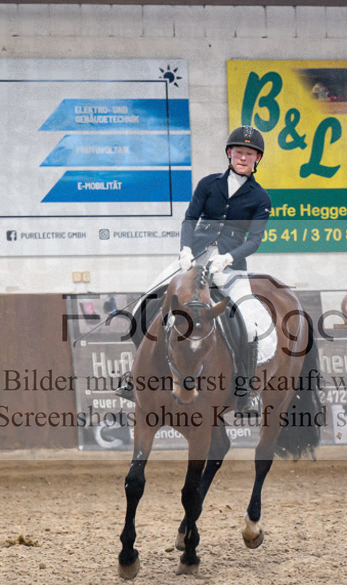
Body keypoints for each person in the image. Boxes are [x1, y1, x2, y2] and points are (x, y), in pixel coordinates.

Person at [116, 125, 275, 417]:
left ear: (257, 159)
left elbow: (254, 241)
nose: (243, 157)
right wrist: (185, 250)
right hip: (194, 258)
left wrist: (228, 257)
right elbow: (190, 218)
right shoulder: (208, 184)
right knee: (146, 303)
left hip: (230, 266)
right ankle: (135, 376)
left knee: (251, 324)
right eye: (239, 152)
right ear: (230, 153)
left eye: (249, 154)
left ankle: (244, 390)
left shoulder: (260, 197)